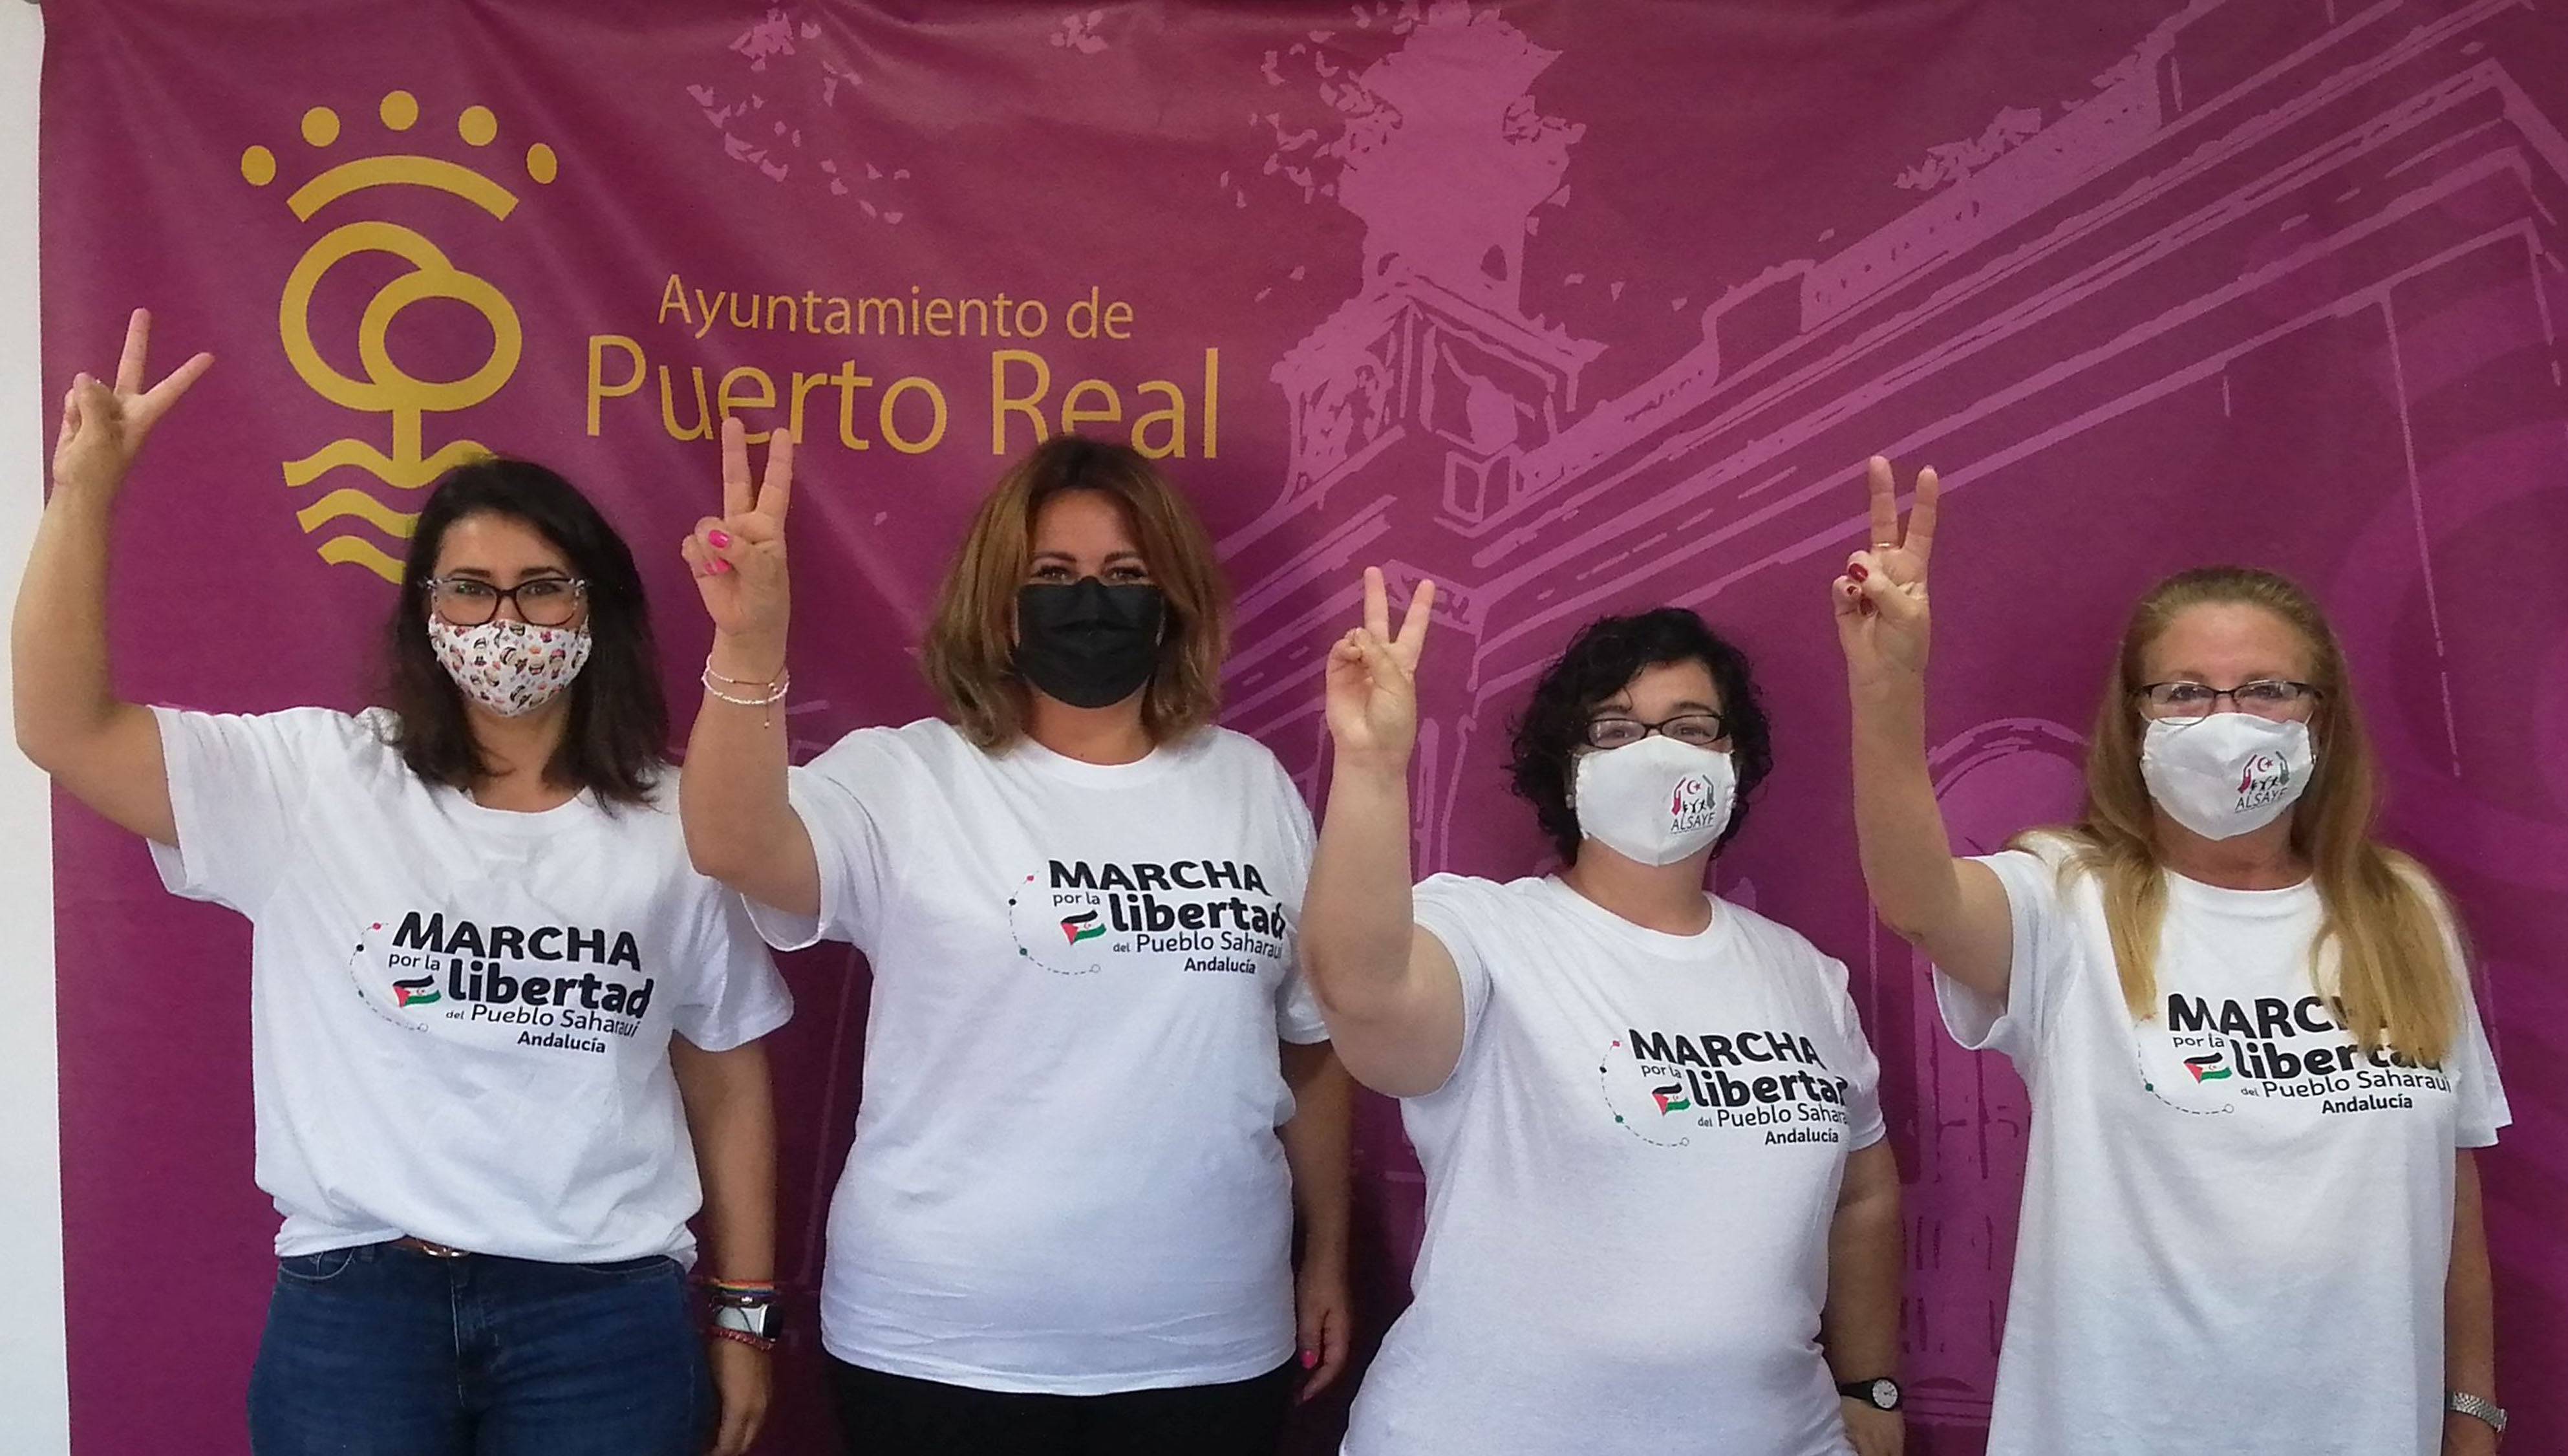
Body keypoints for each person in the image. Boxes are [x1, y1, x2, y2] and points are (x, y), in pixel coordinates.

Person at [14, 311, 795, 1456]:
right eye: (469, 589)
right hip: (357, 1310)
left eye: (542, 588)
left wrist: (742, 1313)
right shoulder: (316, 780)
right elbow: (63, 728)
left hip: (602, 1317)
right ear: (425, 614)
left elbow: (725, 1075)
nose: (505, 619)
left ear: (599, 610)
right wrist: (86, 490)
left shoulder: (686, 817)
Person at [676, 422, 1354, 1455]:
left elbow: (1308, 1043)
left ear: (1173, 600)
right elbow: (731, 840)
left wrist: (1330, 1254)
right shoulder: (905, 777)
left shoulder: (1251, 786)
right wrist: (749, 642)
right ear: (1001, 601)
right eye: (1055, 573)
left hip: (1206, 1345)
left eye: (1126, 573)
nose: (1092, 600)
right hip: (942, 1347)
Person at [1834, 457, 2507, 1455]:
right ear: (2137, 716)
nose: (2226, 723)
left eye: (2267, 691)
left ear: (2321, 714)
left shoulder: (2403, 914)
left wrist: (2471, 1417)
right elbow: (1918, 900)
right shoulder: (2068, 897)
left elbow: (2450, 1200)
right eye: (2186, 692)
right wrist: (1889, 686)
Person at [1301, 570, 1905, 1456]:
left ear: (1734, 763)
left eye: (1693, 727)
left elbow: (1864, 1188)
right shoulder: (1485, 929)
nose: (1657, 752)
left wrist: (1871, 1386)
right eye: (1616, 729)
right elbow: (1361, 991)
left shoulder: (1803, 976)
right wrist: (1371, 767)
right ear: (1567, 766)